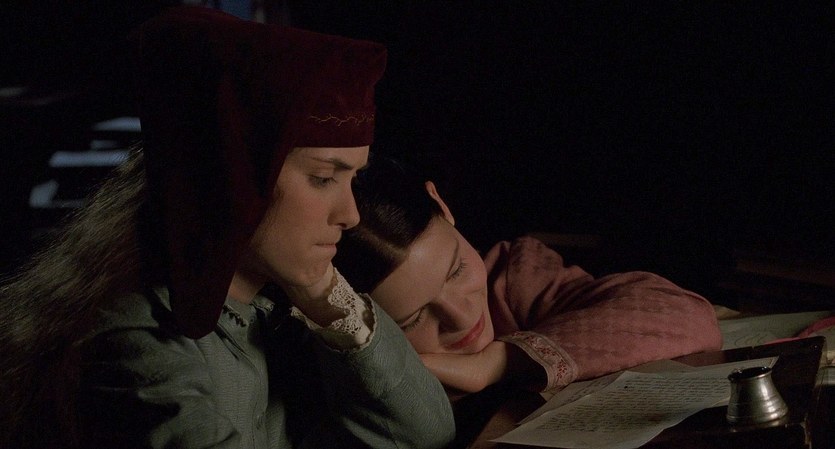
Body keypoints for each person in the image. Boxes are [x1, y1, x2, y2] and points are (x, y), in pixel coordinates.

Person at [0, 6, 454, 449]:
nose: (351, 215)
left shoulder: (276, 310)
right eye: (323, 178)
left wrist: (322, 292)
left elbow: (426, 431)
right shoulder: (141, 342)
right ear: (236, 179)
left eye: (352, 179)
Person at [334, 156, 723, 395]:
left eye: (457, 269)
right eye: (413, 319)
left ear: (442, 204)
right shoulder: (349, 359)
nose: (462, 316)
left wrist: (497, 363)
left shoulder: (511, 278)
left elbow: (686, 315)